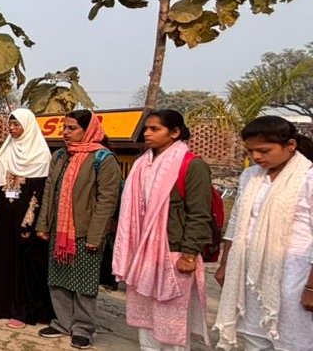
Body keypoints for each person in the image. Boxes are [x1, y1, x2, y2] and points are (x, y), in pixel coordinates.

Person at [113, 109, 214, 351]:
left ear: (175, 132)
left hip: (174, 252)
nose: (147, 134)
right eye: (146, 129)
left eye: (155, 129)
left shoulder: (193, 165)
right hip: (143, 252)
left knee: (171, 318)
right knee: (146, 318)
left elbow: (199, 214)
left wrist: (189, 253)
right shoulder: (142, 164)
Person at [214, 116, 313, 350]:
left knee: (292, 342)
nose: (256, 157)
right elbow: (237, 221)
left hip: (295, 275)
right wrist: (225, 263)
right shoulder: (251, 176)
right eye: (251, 151)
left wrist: (311, 287)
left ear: (290, 145)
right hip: (251, 274)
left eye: (264, 150)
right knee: (254, 339)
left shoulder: (308, 178)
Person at [35, 110, 120, 349]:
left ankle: (83, 328)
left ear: (88, 130)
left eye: (72, 128)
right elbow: (50, 191)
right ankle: (62, 323)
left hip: (85, 232)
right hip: (59, 231)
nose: (65, 133)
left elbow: (107, 201)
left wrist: (96, 235)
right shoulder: (61, 155)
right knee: (58, 278)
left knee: (84, 283)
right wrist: (43, 224)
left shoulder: (103, 159)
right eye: (65, 128)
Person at [0, 109, 55, 328]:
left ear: (28, 126)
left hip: (27, 218)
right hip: (4, 215)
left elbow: (41, 192)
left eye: (16, 125)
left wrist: (31, 220)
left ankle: (23, 312)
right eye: (10, 124)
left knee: (24, 263)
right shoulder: (6, 151)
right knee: (2, 260)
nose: (12, 128)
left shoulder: (41, 155)